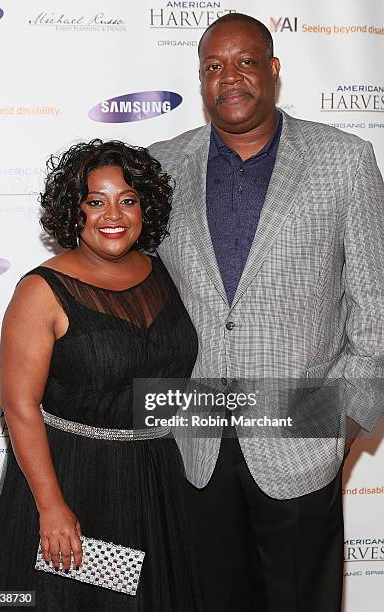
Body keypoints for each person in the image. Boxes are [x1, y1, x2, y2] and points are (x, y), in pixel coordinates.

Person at [149, 12, 384, 612]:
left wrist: (345, 421)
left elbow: (375, 306)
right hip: (195, 437)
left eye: (246, 62)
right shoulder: (160, 166)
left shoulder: (344, 160)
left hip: (302, 432)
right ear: (201, 80)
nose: (231, 77)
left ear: (273, 71)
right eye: (214, 67)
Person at [0, 140, 202, 611]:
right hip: (75, 484)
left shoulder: (167, 273)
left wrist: (311, 410)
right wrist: (51, 506)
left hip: (157, 480)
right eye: (95, 202)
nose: (113, 215)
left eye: (127, 200)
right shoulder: (41, 291)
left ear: (146, 206)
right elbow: (20, 406)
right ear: (73, 212)